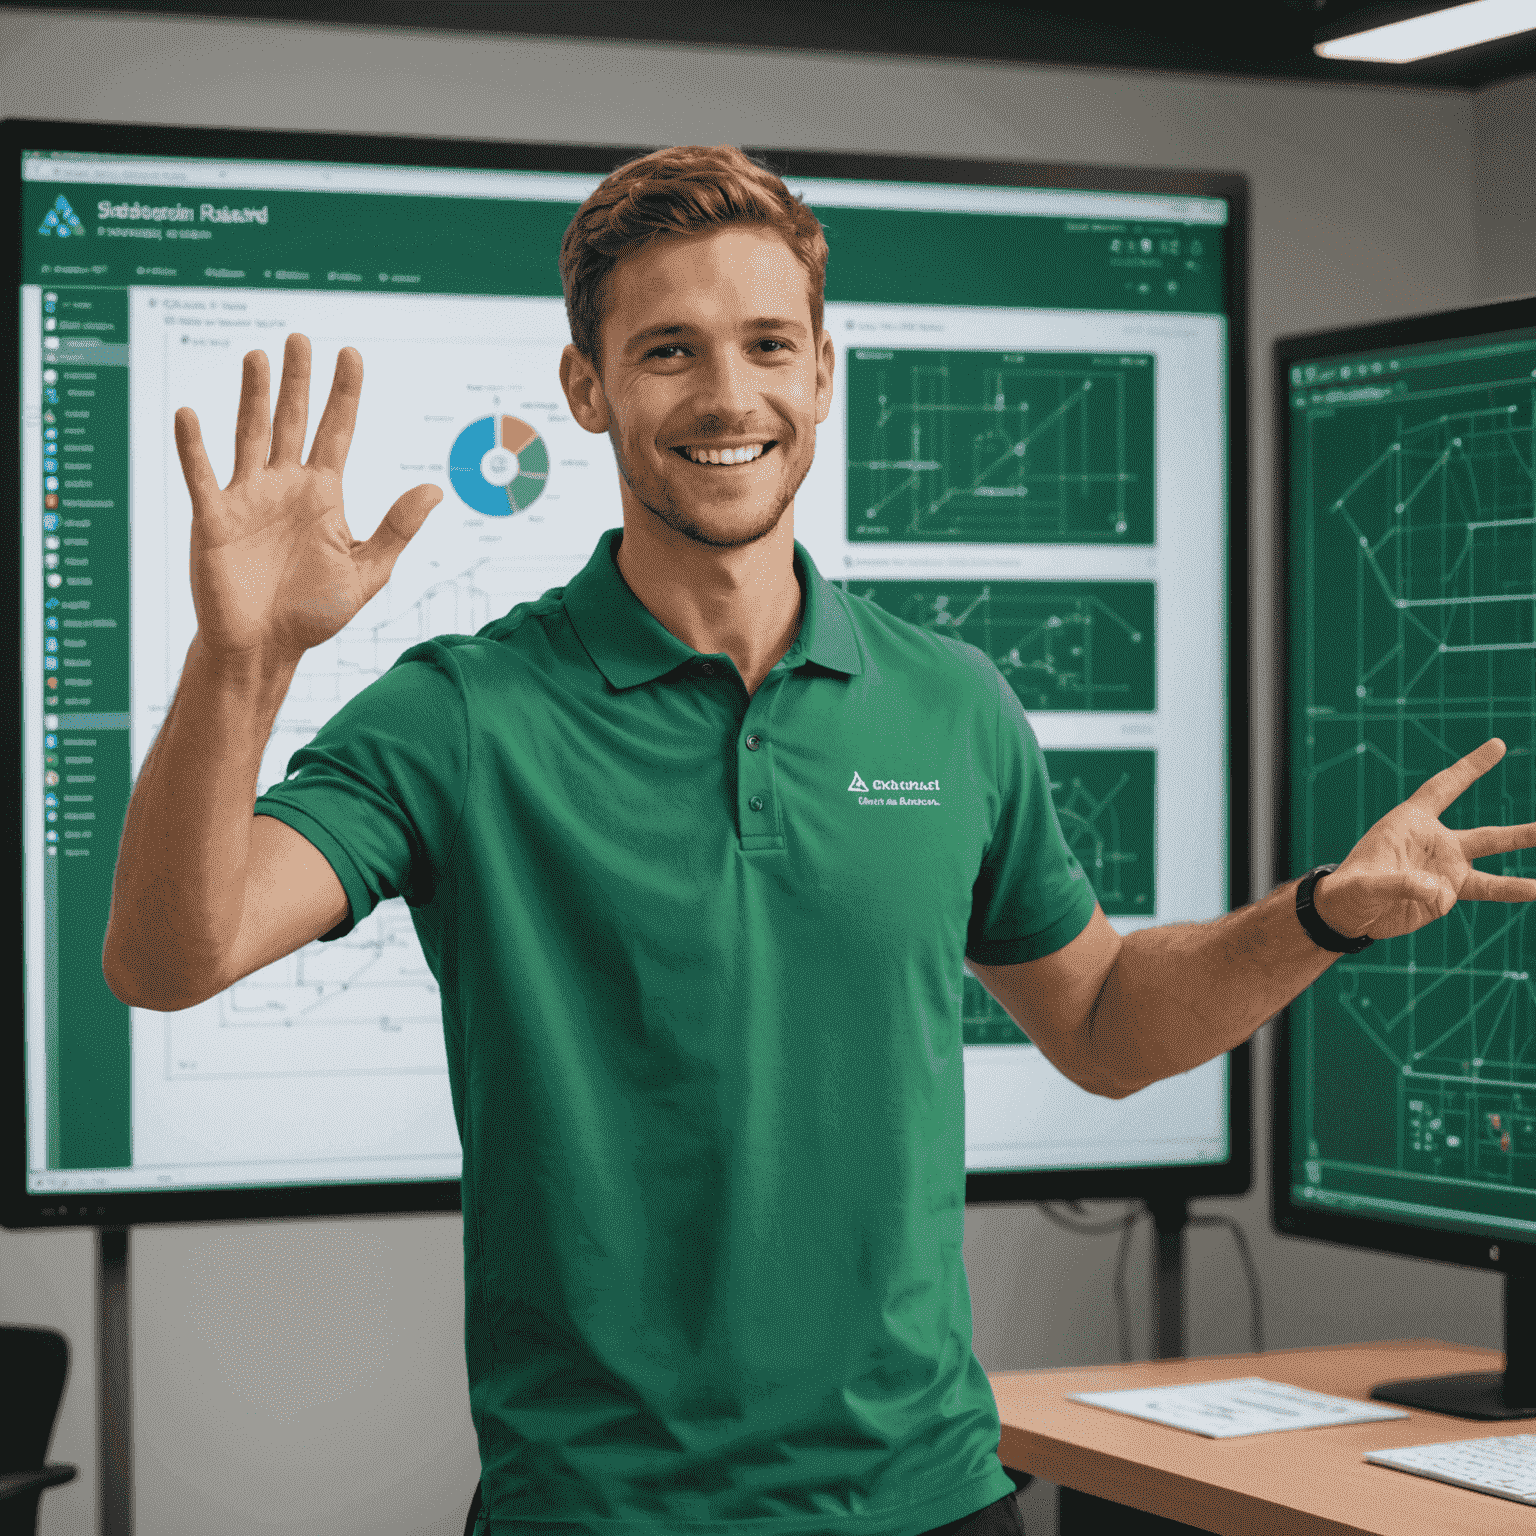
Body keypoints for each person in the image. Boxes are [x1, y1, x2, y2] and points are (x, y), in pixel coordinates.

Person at [103, 145, 1536, 1536]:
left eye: (769, 345)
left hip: (935, 1498)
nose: (730, 395)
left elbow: (1101, 1023)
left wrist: (1323, 913)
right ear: (586, 389)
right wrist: (243, 659)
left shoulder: (952, 704)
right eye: (668, 350)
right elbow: (176, 956)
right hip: (604, 1514)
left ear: (824, 371)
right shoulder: (464, 714)